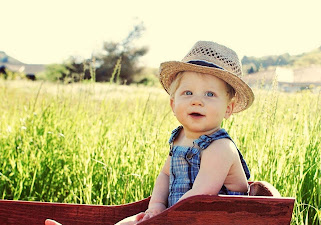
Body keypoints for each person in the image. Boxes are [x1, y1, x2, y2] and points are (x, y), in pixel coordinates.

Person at [45, 40, 255, 225]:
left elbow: (198, 198)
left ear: (228, 108)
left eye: (210, 94)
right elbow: (165, 174)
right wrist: (155, 206)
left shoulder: (220, 148)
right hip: (181, 217)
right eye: (187, 92)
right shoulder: (180, 138)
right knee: (129, 221)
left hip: (212, 219)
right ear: (173, 104)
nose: (197, 100)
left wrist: (162, 219)